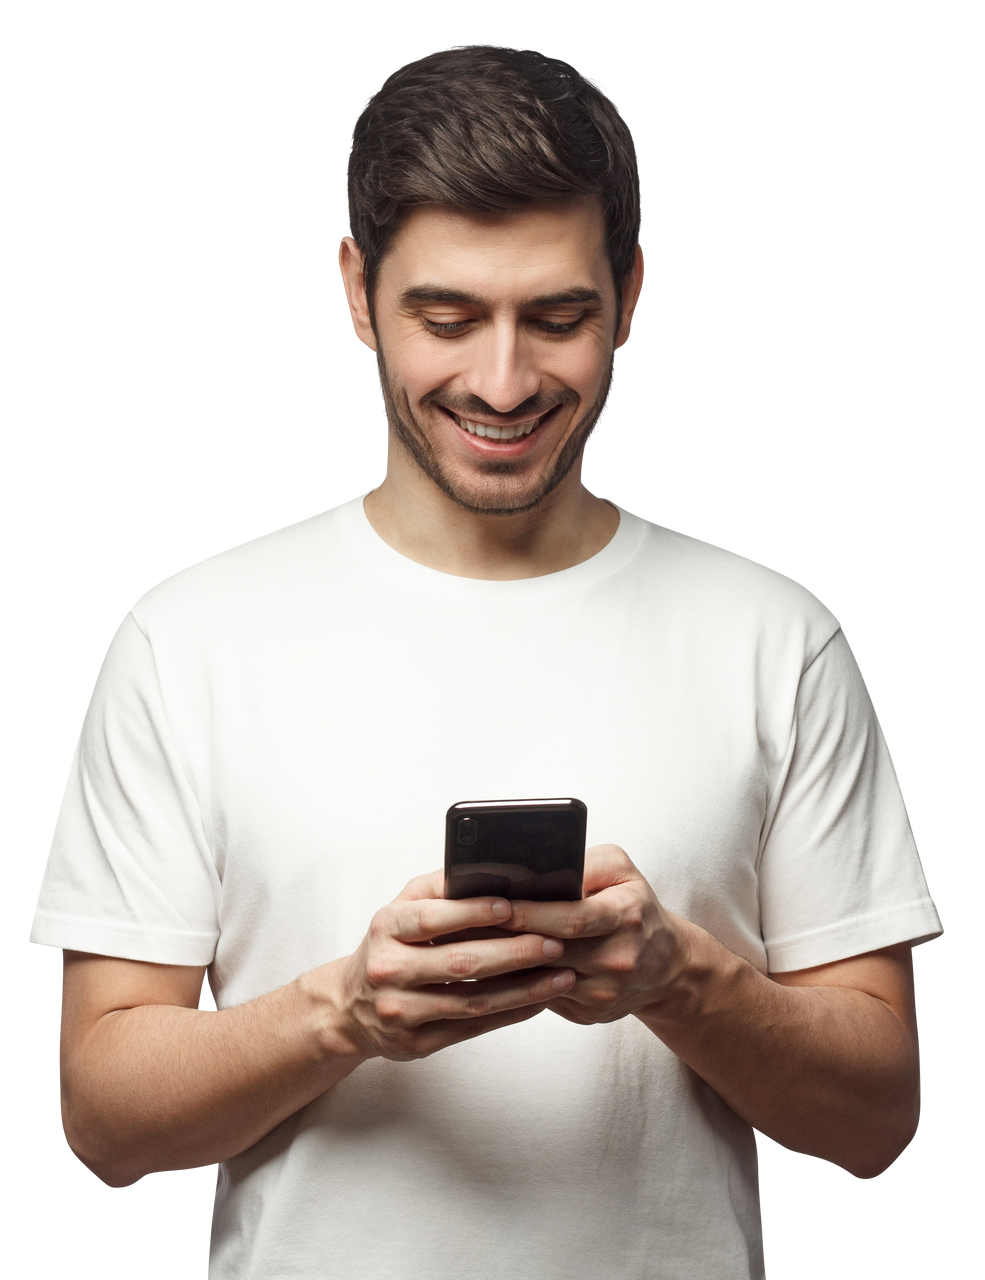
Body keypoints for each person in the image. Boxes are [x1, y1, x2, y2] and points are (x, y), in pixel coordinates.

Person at [30, 44, 942, 1280]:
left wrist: (681, 981)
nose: (502, 382)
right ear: (357, 291)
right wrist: (340, 1010)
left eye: (556, 317)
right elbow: (106, 1122)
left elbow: (876, 1123)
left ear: (628, 293)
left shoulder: (773, 638)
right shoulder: (189, 637)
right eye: (445, 318)